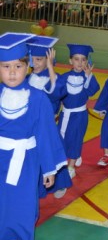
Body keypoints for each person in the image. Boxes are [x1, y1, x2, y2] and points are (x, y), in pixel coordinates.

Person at [0, 32, 67, 240]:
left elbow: (46, 134)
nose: (11, 72)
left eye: (17, 67)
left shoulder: (37, 98)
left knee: (23, 213)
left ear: (27, 66)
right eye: (5, 66)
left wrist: (49, 168)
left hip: (26, 166)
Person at [26, 36, 72, 199]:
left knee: (53, 155)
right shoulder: (28, 77)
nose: (35, 63)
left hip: (47, 126)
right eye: (32, 59)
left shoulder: (53, 77)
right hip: (30, 126)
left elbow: (57, 91)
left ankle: (60, 184)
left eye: (39, 59)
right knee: (33, 157)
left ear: (48, 59)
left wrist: (51, 68)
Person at [57, 44, 100, 179]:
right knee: (61, 137)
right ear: (70, 61)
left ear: (87, 61)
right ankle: (62, 162)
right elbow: (57, 95)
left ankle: (71, 166)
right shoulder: (63, 77)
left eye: (83, 59)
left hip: (80, 115)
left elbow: (92, 90)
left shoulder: (88, 76)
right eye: (76, 59)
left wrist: (88, 76)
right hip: (65, 114)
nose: (80, 62)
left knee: (75, 139)